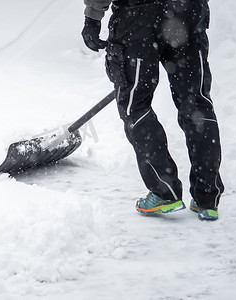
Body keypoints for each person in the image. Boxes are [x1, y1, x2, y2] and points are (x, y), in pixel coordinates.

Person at [81, 0, 224, 220]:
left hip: (139, 17)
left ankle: (165, 191)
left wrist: (92, 17)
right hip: (189, 12)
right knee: (196, 103)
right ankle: (207, 197)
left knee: (134, 105)